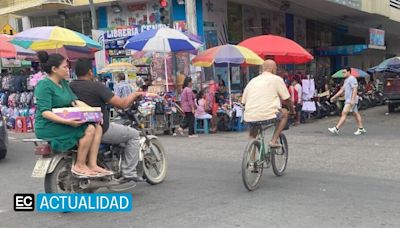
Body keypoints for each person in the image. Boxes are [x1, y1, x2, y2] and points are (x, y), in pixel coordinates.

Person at [70, 58, 151, 184]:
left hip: (79, 127)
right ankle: (129, 172)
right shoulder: (97, 87)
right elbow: (122, 104)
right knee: (134, 135)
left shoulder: (70, 86)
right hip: (101, 128)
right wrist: (135, 94)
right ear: (90, 72)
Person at [34, 52, 110, 177]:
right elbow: (45, 112)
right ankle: (80, 165)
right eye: (64, 67)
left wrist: (95, 112)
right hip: (48, 125)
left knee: (98, 127)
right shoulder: (44, 85)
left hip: (64, 121)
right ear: (54, 69)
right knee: (90, 129)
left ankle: (92, 164)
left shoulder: (64, 83)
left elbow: (75, 102)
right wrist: (68, 122)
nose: (68, 69)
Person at [242, 60, 295, 148]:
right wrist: (292, 111)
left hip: (249, 117)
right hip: (268, 115)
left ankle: (251, 156)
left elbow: (243, 102)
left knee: (253, 134)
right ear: (274, 70)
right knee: (284, 112)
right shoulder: (277, 79)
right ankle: (273, 141)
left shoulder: (252, 81)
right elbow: (287, 99)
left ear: (262, 69)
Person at [329, 67, 366, 136]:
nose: (343, 74)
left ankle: (336, 128)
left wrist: (352, 100)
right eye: (343, 72)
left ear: (349, 72)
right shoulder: (346, 80)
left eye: (344, 72)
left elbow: (355, 89)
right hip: (349, 99)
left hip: (350, 100)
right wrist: (334, 97)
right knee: (356, 113)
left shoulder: (352, 79)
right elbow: (342, 90)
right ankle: (361, 128)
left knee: (344, 113)